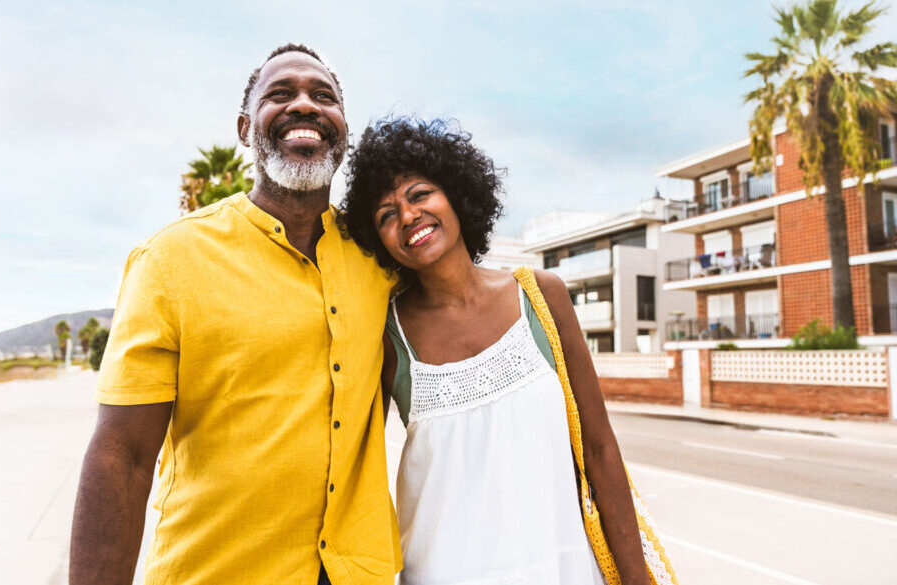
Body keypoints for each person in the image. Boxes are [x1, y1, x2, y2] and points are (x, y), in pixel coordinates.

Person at [69, 44, 401, 585]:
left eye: (324, 97)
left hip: (359, 571)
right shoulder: (171, 260)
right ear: (246, 129)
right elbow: (122, 456)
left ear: (343, 130)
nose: (305, 105)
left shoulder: (380, 260)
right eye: (280, 93)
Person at [339, 117, 649, 585]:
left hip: (560, 567)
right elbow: (355, 471)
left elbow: (600, 448)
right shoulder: (386, 334)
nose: (407, 216)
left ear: (456, 194)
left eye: (420, 194)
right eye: (386, 215)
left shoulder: (541, 296)